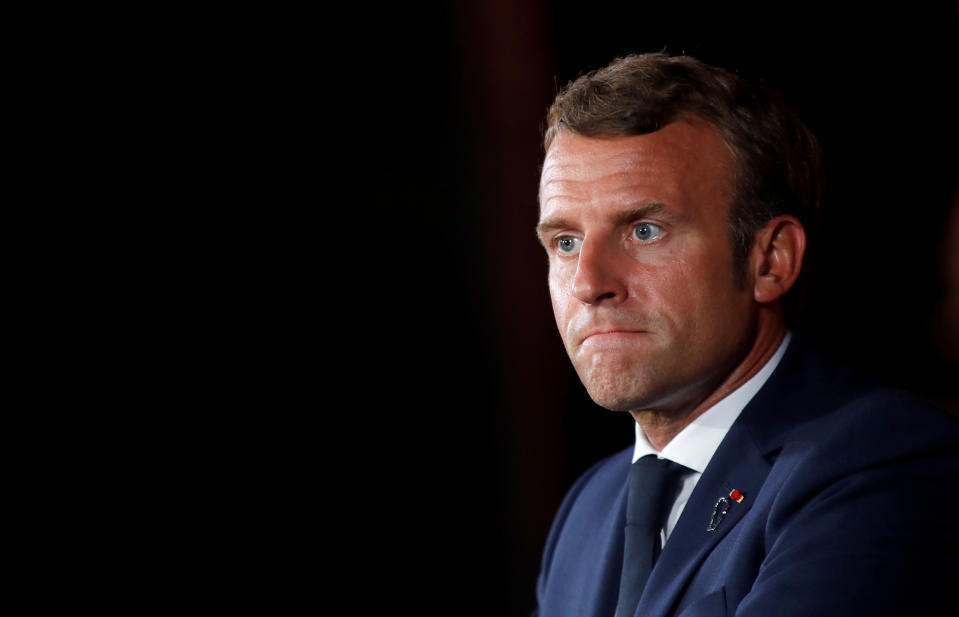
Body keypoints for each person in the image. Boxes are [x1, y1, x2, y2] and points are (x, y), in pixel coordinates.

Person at [532, 53, 958, 617]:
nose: (588, 283)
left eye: (644, 230)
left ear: (770, 261)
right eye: (565, 242)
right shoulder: (587, 510)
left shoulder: (882, 464)